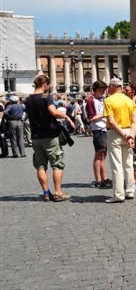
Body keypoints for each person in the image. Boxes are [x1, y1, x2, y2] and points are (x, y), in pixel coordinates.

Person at [24, 74, 74, 202]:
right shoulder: (46, 97)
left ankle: (46, 193)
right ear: (45, 84)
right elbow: (53, 112)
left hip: (35, 136)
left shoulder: (28, 99)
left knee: (40, 166)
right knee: (57, 164)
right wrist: (66, 117)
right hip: (49, 135)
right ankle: (58, 193)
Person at [103, 77, 136, 203]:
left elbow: (111, 121)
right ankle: (130, 190)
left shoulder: (108, 100)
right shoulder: (129, 100)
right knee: (128, 164)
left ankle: (118, 194)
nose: (108, 88)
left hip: (116, 133)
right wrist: (131, 136)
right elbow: (135, 121)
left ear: (113, 87)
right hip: (129, 131)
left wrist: (123, 134)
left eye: (109, 86)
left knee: (117, 165)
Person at [86, 80, 112, 188]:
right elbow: (91, 118)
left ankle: (104, 178)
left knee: (103, 155)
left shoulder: (103, 99)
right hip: (98, 129)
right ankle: (98, 180)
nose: (104, 91)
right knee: (99, 154)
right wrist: (104, 115)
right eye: (102, 89)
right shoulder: (91, 101)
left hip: (105, 128)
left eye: (104, 89)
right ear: (96, 89)